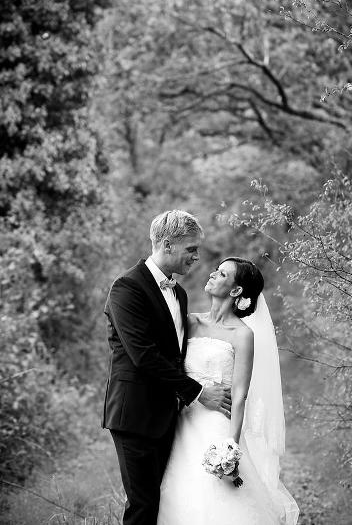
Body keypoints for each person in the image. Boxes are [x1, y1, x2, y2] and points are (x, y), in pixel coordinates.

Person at [103, 210, 232, 525]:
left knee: (166, 502)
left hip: (168, 415)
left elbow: (176, 354)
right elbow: (143, 355)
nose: (196, 257)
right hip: (134, 415)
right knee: (143, 506)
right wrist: (198, 392)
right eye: (191, 249)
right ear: (167, 244)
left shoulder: (180, 294)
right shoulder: (126, 287)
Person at [158, 257, 300, 525]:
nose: (213, 274)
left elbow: (239, 395)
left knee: (216, 499)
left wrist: (230, 447)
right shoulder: (189, 322)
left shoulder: (242, 334)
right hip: (180, 422)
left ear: (236, 290)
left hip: (215, 426)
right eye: (216, 270)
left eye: (222, 274)